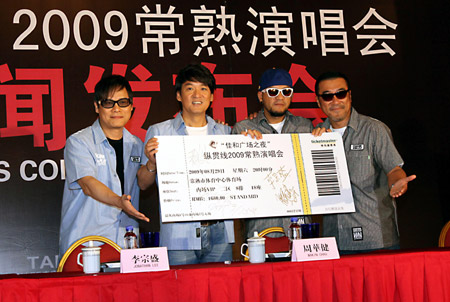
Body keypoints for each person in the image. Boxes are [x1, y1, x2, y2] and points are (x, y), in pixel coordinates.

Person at [137, 64, 237, 265]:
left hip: (220, 233)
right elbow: (142, 183)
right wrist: (151, 163)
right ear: (178, 95)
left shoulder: (226, 133)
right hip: (178, 233)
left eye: (203, 88)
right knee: (181, 293)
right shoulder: (159, 132)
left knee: (221, 293)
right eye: (190, 88)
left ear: (211, 97)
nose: (197, 94)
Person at [313, 71, 416, 253]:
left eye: (341, 93)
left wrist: (398, 182)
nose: (335, 100)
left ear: (350, 96)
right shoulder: (314, 135)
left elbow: (393, 169)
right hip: (335, 240)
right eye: (328, 96)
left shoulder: (374, 130)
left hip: (376, 238)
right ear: (318, 101)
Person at [59, 75, 149, 257]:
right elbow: (88, 185)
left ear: (131, 106)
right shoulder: (79, 142)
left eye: (123, 102)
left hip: (126, 243)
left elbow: (144, 183)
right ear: (96, 107)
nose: (116, 108)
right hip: (86, 244)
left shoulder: (137, 145)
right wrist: (119, 202)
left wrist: (152, 164)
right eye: (109, 103)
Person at [232, 68, 314, 238]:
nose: (280, 96)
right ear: (260, 96)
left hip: (299, 222)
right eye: (273, 91)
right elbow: (236, 179)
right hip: (261, 224)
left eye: (286, 91)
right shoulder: (243, 129)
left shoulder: (306, 127)